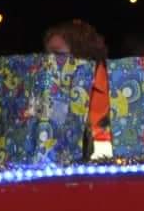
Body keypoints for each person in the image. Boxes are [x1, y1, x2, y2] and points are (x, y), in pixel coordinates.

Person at [43, 19, 113, 161]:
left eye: (57, 54)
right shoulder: (46, 94)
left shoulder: (114, 93)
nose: (49, 61)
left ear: (83, 54)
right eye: (47, 55)